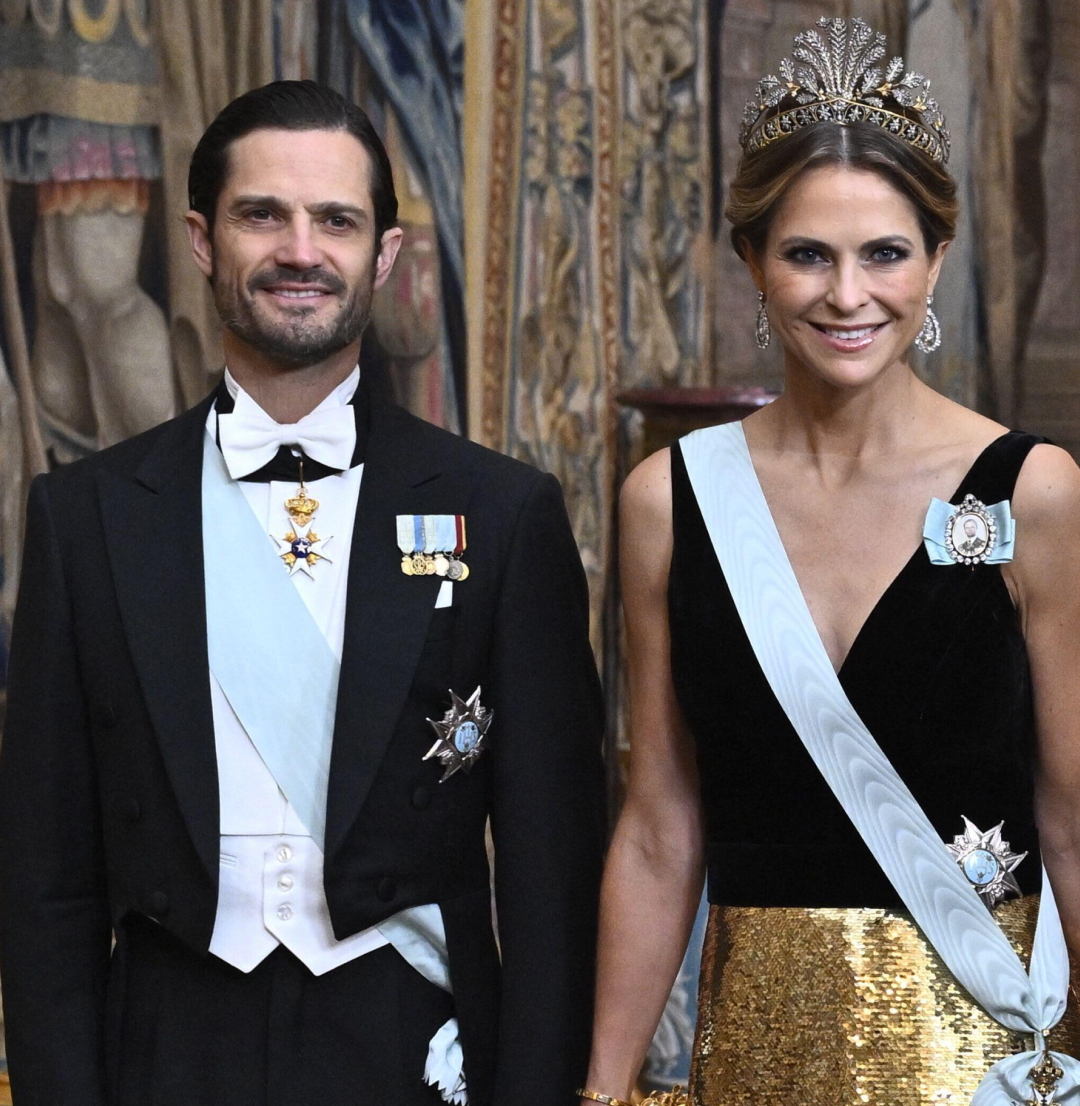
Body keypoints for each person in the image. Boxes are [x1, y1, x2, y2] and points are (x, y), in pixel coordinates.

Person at [0, 80, 606, 1106]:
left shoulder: (502, 513)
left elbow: (553, 875)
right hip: (164, 1046)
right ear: (201, 239)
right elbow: (45, 880)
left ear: (386, 253)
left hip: (410, 1039)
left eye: (336, 219)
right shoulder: (85, 518)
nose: (300, 250)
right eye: (261, 215)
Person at [577, 18, 1080, 1106]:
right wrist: (605, 1088)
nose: (847, 295)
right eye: (807, 253)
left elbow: (1075, 822)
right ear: (752, 261)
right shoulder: (669, 500)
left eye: (885, 253)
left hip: (988, 1063)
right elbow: (662, 826)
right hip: (756, 1062)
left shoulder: (1033, 492)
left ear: (937, 258)